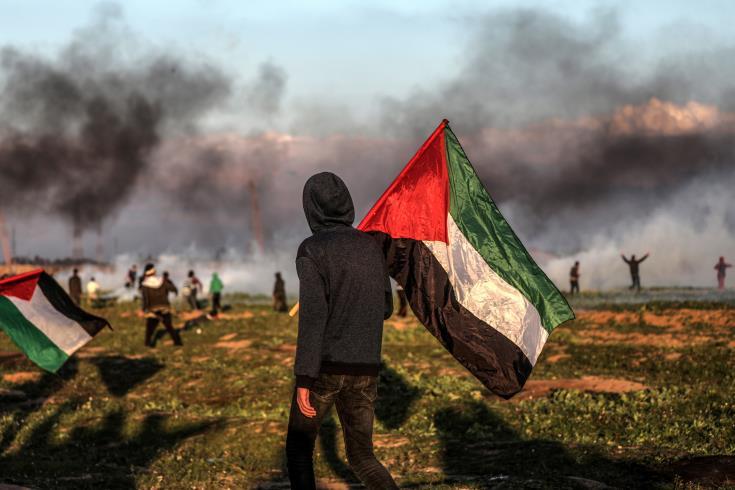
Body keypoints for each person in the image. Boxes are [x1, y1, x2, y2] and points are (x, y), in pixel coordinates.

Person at [286, 172, 397, 489]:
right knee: (363, 457)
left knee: (299, 451)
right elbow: (385, 307)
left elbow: (313, 318)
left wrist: (304, 379)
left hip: (325, 369)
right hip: (366, 368)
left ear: (311, 208)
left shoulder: (312, 249)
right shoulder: (371, 247)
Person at [140, 263, 182, 347]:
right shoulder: (162, 281)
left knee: (150, 328)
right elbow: (173, 289)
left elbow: (145, 299)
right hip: (164, 307)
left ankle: (148, 344)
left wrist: (144, 309)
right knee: (169, 326)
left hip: (153, 309)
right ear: (154, 272)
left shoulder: (145, 285)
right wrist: (175, 291)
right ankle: (178, 342)